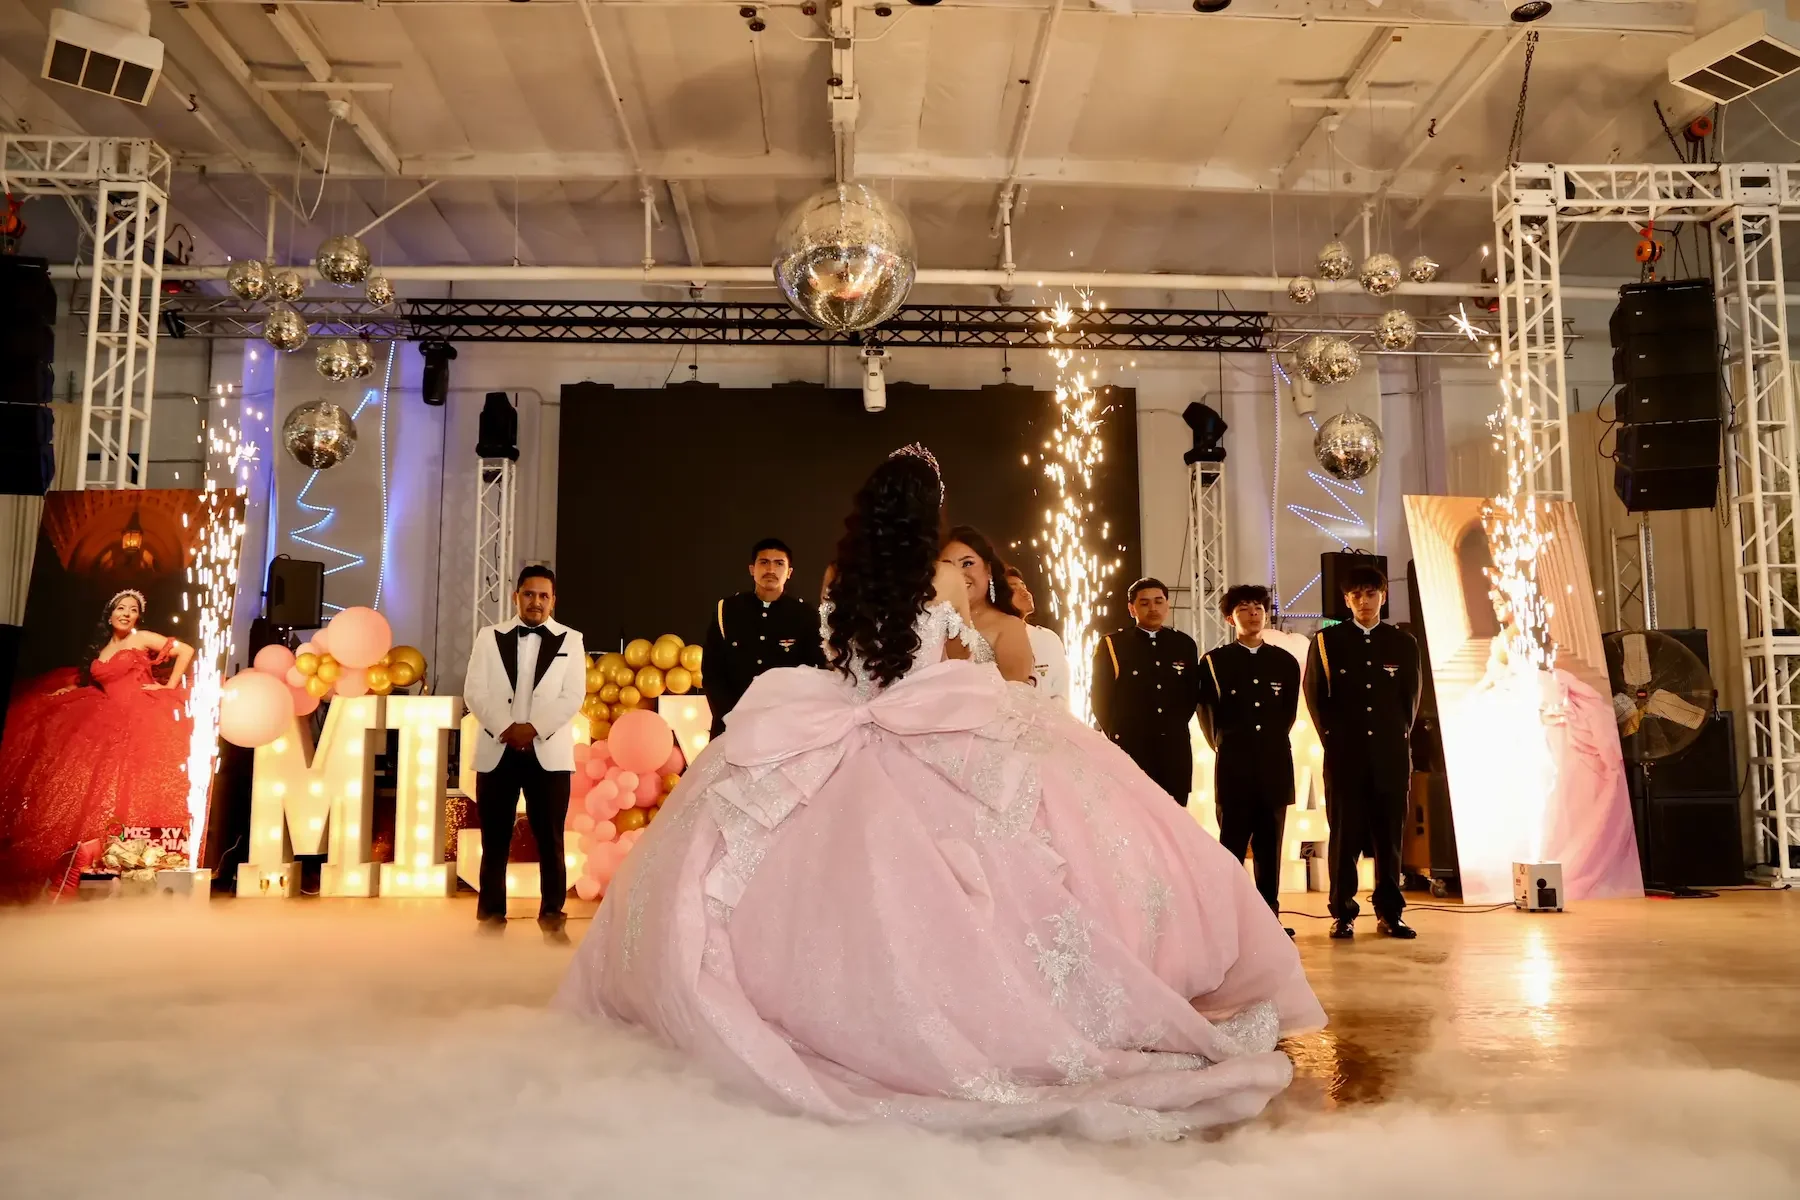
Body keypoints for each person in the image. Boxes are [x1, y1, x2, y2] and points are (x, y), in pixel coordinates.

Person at [558, 445, 1323, 1139]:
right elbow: (954, 654)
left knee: (783, 869)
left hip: (843, 721)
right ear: (926, 515)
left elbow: (843, 666)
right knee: (1013, 862)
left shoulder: (842, 582)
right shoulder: (939, 580)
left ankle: (831, 1013)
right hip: (930, 724)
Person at [0, 590, 195, 900]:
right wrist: (68, 692)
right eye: (121, 607)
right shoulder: (103, 648)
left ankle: (144, 868)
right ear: (110, 613)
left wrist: (168, 685)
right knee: (97, 788)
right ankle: (95, 870)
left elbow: (185, 649)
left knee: (137, 782)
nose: (127, 613)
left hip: (141, 714)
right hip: (106, 715)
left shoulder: (141, 636)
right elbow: (99, 681)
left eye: (133, 609)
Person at [462, 565, 587, 942]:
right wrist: (506, 727)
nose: (536, 601)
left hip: (547, 751)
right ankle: (490, 917)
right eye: (529, 594)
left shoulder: (572, 639)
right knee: (494, 838)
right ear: (516, 596)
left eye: (543, 595)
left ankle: (552, 915)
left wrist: (532, 729)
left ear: (553, 601)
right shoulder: (489, 637)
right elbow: (475, 690)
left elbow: (572, 696)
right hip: (497, 747)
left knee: (550, 838)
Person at [1302, 563, 1421, 940]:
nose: (1364, 602)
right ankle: (1343, 912)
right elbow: (1316, 697)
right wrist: (1334, 739)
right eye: (1356, 595)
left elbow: (1410, 702)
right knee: (1345, 837)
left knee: (1389, 838)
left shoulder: (1403, 643)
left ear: (1383, 597)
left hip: (1389, 754)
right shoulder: (1326, 642)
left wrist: (1393, 737)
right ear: (1346, 600)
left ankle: (1390, 911)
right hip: (1345, 756)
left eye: (1371, 594)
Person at [1197, 584, 1300, 932]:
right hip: (1234, 768)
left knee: (1271, 849)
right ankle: (1229, 921)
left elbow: (1287, 714)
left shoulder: (1284, 662)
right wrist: (1228, 745)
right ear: (1230, 618)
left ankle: (1269, 918)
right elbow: (1208, 714)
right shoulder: (1214, 662)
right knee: (1232, 848)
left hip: (1273, 766)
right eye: (1244, 608)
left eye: (1258, 606)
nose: (1253, 613)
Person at [1090, 578, 1203, 806]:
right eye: (1144, 603)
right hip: (1131, 747)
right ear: (1132, 608)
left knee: (1174, 816)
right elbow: (1100, 697)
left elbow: (1191, 694)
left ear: (1167, 605)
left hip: (1174, 749)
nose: (1153, 608)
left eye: (1158, 601)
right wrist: (1118, 733)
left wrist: (1172, 725)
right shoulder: (1113, 644)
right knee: (1133, 815)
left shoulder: (1184, 644)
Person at [702, 538, 826, 738]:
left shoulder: (805, 615)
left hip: (785, 729)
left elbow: (814, 673)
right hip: (732, 727)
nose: (771, 569)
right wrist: (731, 716)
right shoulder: (727, 610)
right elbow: (712, 672)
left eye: (779, 563)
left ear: (789, 572)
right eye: (764, 562)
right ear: (752, 569)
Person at [939, 527, 1036, 685]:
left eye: (967, 563)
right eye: (948, 566)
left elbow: (1014, 698)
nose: (957, 574)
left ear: (988, 570)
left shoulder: (1009, 626)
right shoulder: (928, 624)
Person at [1005, 565, 1070, 706]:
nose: (1024, 592)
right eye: (1014, 588)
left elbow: (1061, 693)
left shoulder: (1048, 638)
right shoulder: (988, 641)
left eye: (1024, 586)